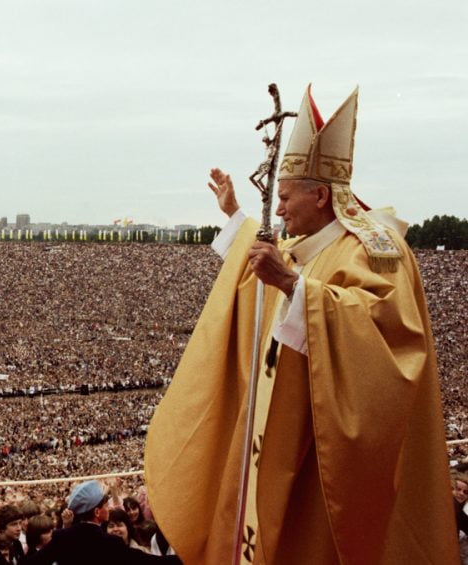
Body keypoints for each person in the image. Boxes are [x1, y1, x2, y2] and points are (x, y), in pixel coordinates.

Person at [144, 85, 459, 563]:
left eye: (288, 198)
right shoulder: (307, 245)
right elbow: (269, 270)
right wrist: (234, 216)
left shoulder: (376, 247)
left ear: (320, 194)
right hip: (285, 435)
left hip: (327, 452)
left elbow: (389, 339)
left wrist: (297, 289)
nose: (282, 208)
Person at [28, 481, 179, 564]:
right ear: (97, 512)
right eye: (105, 505)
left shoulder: (61, 538)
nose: (109, 508)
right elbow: (145, 561)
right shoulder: (110, 542)